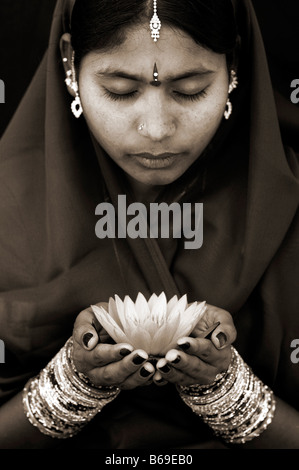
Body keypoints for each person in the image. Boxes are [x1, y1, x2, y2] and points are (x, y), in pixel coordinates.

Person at [0, 0, 298, 449]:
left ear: (233, 64)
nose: (156, 129)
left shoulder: (288, 202)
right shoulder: (9, 203)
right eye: (120, 90)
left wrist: (228, 393)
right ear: (69, 61)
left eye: (191, 89)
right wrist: (70, 386)